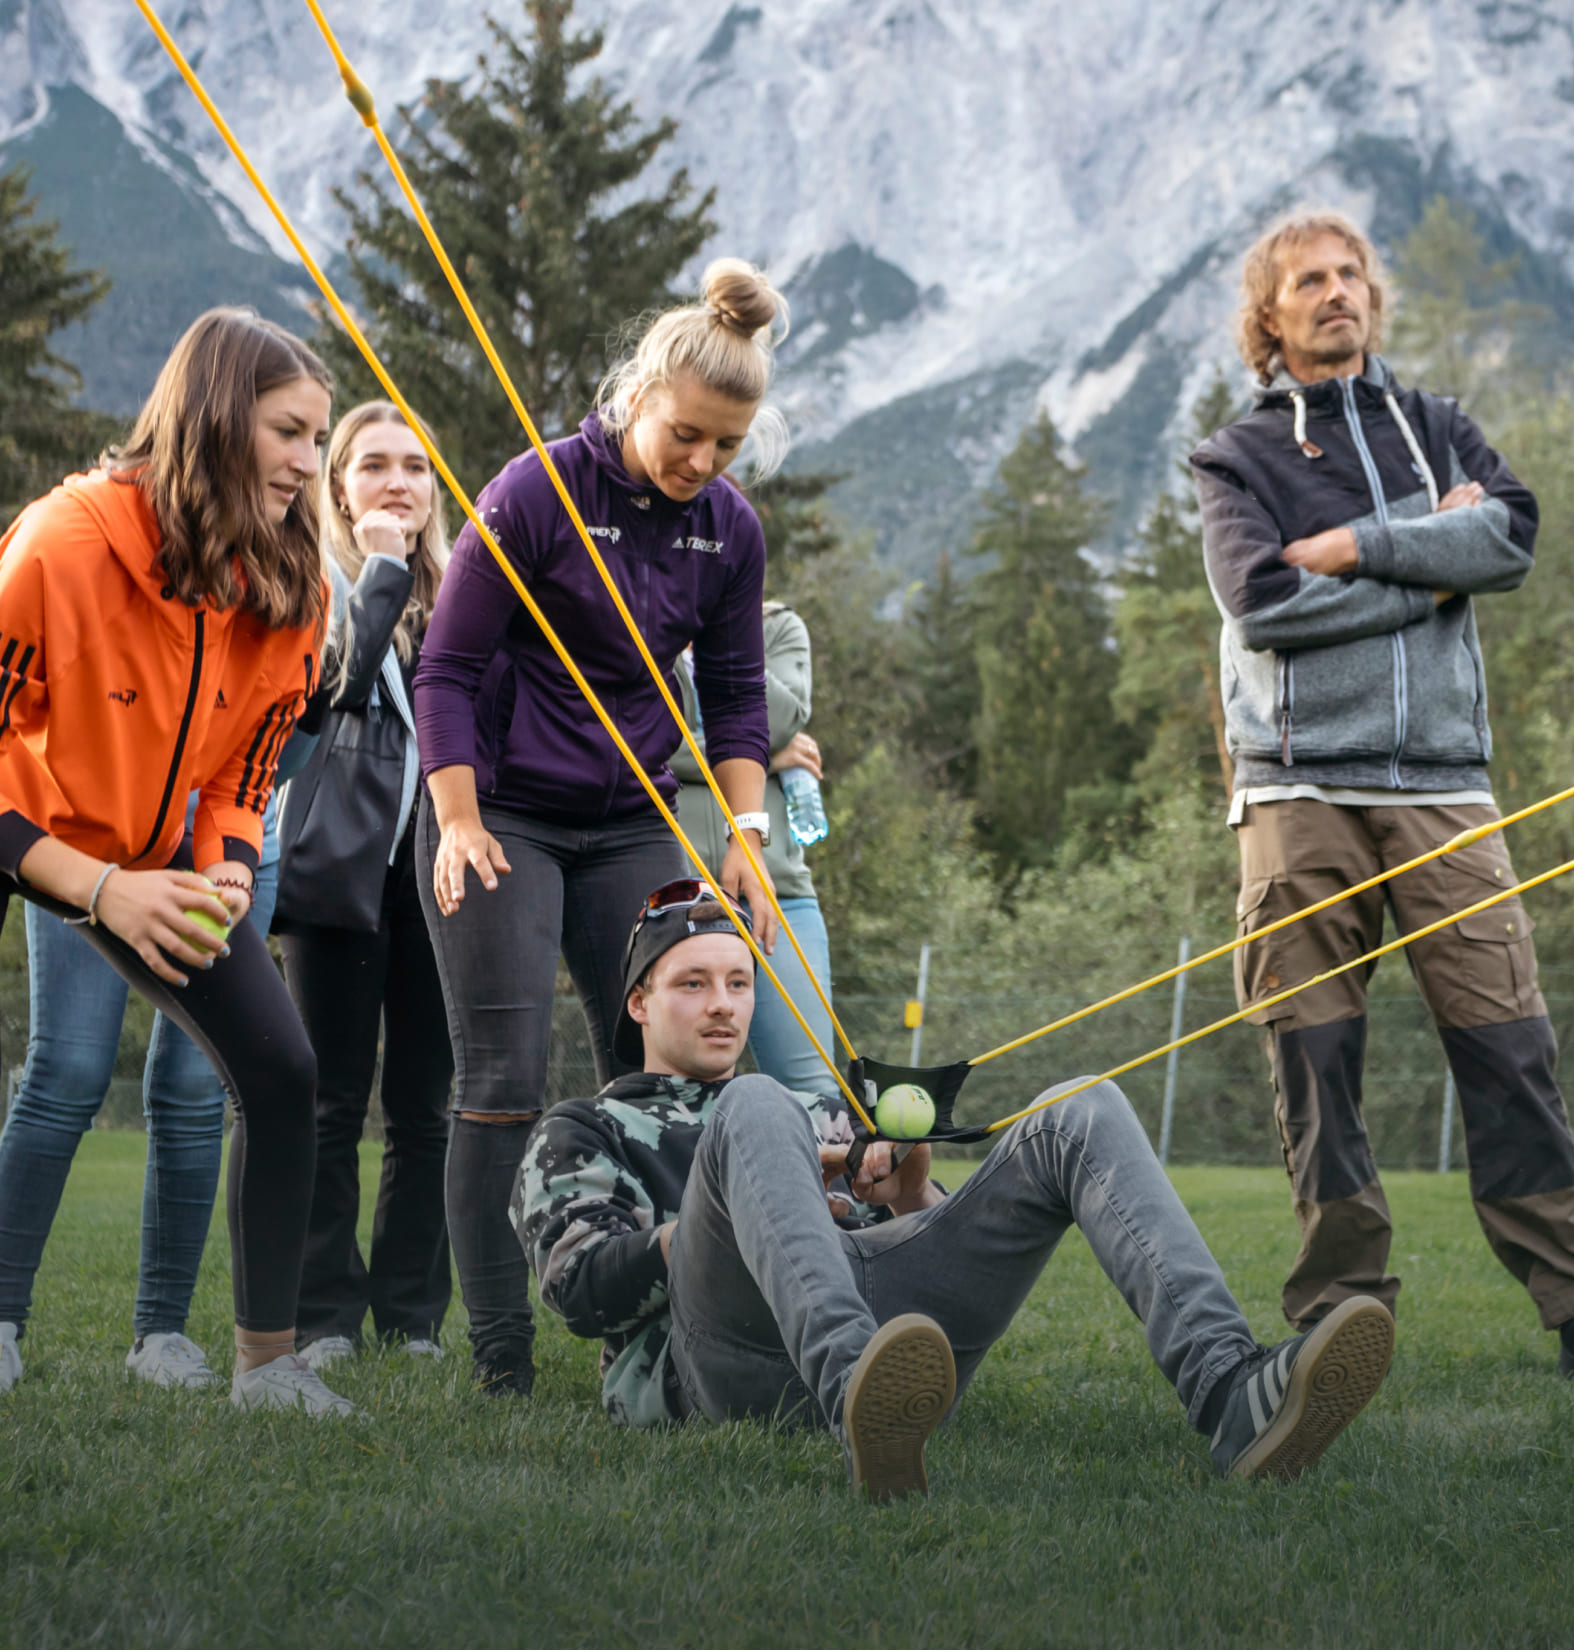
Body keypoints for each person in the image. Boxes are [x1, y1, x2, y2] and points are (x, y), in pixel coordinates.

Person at [1190, 209, 1574, 1379]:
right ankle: (1340, 1319)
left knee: (1511, 1049)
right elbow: (1263, 604)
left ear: (1372, 297)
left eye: (1351, 274)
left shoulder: (1438, 427)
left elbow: (1509, 540)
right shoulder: (1235, 456)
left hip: (1446, 789)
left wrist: (1358, 548)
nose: (1337, 292)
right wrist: (1430, 561)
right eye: (1309, 281)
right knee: (1315, 1066)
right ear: (1269, 318)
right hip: (1297, 793)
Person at [512, 880, 1396, 1498]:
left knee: (1079, 1107)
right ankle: (855, 1391)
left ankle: (1231, 1390)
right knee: (755, 1103)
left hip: (875, 1317)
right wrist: (747, 1207)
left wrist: (907, 1193)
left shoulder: (821, 1111)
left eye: (739, 983)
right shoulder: (585, 1127)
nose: (722, 1005)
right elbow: (581, 1291)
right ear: (638, 1002)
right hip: (719, 1359)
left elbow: (912, 1253)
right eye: (693, 984)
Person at [414, 259, 789, 1397]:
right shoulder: (536, 490)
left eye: (727, 445)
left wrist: (746, 835)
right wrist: (457, 819)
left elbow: (738, 698)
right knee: (504, 1076)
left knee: (663, 1069)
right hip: (503, 812)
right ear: (635, 398)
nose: (702, 462)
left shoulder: (729, 529)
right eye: (686, 434)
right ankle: (503, 1360)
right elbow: (447, 666)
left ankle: (666, 1332)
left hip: (630, 815)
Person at [0, 306, 352, 1414]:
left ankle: (265, 1367)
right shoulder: (58, 546)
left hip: (157, 865)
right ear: (214, 419)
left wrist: (229, 866)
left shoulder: (292, 581)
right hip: (33, 835)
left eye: (317, 440)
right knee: (61, 1075)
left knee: (283, 1072)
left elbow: (245, 769)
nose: (309, 464)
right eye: (289, 433)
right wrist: (100, 888)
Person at [274, 401, 456, 1369]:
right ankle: (323, 1317)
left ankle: (413, 1316)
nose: (397, 482)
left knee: (428, 1106)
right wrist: (382, 570)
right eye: (374, 464)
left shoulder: (465, 594)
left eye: (415, 467)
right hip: (335, 867)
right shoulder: (314, 580)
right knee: (329, 1102)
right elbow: (333, 685)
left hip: (442, 875)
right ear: (339, 487)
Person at [0, 792, 282, 1393]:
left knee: (195, 1084)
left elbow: (283, 754)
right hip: (92, 815)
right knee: (68, 1069)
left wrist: (233, 843)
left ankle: (162, 1334)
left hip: (227, 832)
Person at [672, 599, 837, 1094]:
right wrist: (759, 756)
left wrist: (721, 636)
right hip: (668, 891)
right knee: (670, 1097)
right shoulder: (639, 616)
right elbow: (632, 746)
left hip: (777, 890)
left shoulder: (778, 625)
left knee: (816, 1094)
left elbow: (781, 720)